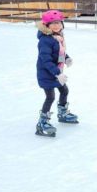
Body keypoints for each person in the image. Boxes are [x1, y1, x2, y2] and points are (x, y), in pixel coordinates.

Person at [35, 9, 78, 137]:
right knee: (50, 97)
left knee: (64, 91)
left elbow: (59, 52)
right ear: (46, 26)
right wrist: (57, 74)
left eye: (58, 23)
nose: (56, 25)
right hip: (47, 74)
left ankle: (62, 113)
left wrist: (67, 58)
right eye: (52, 23)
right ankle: (42, 123)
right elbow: (46, 60)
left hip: (56, 73)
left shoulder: (58, 37)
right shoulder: (45, 40)